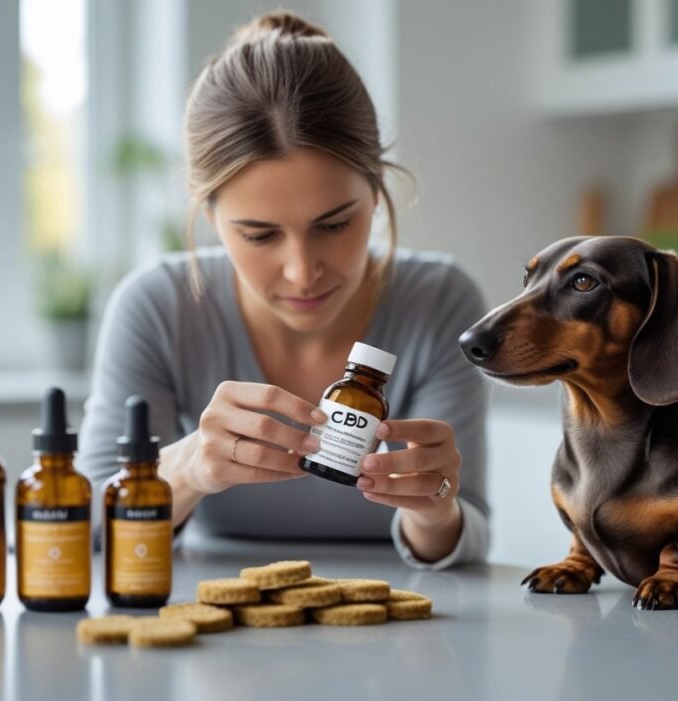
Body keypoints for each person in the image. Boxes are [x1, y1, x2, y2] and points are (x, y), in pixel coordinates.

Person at [77, 11, 489, 568]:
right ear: (211, 216)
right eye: (259, 234)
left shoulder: (439, 300)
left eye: (335, 224)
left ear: (376, 192)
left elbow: (466, 540)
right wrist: (189, 467)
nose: (302, 271)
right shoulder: (157, 306)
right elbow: (82, 533)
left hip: (404, 621)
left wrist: (434, 509)